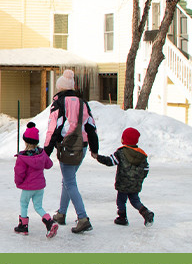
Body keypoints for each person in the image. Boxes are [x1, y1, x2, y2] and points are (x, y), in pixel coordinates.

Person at [43, 69, 99, 234]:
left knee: (70, 182)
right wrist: (94, 149)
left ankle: (83, 218)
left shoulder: (59, 103)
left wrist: (46, 151)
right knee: (68, 180)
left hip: (67, 147)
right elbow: (91, 127)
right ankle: (61, 213)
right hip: (82, 145)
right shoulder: (83, 103)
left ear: (60, 88)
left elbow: (53, 129)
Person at [95, 127, 155, 227]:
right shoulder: (141, 155)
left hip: (123, 183)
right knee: (135, 200)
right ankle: (146, 213)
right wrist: (139, 179)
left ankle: (122, 218)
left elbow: (110, 161)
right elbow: (146, 169)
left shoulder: (121, 153)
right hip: (135, 184)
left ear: (125, 139)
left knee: (121, 200)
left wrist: (98, 157)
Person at [13, 123, 59, 238]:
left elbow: (19, 173)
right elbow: (49, 164)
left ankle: (23, 226)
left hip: (28, 187)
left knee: (24, 204)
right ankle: (49, 222)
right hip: (39, 187)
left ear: (25, 141)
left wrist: (18, 183)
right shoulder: (41, 153)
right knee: (38, 206)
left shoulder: (23, 158)